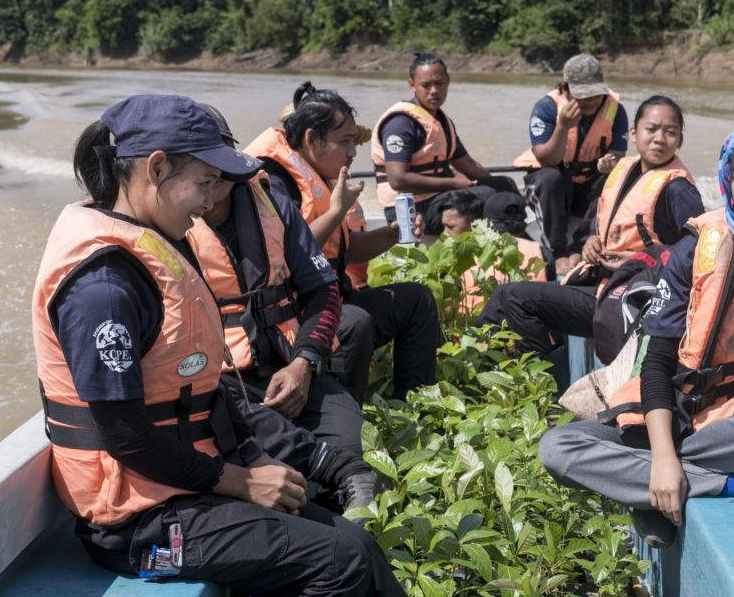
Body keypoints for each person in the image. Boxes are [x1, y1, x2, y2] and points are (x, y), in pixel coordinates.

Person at [33, 94, 426, 597]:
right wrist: (240, 482)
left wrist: (251, 456)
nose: (211, 199)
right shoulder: (104, 286)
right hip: (137, 523)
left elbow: (198, 387)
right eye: (204, 181)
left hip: (182, 485)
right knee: (337, 563)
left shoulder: (159, 241)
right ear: (157, 168)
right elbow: (125, 436)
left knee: (355, 542)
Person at [540, 112, 734, 550]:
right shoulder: (698, 240)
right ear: (727, 176)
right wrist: (663, 460)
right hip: (675, 399)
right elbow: (658, 358)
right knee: (558, 448)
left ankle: (642, 488)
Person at [189, 104, 367, 465]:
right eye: (200, 160)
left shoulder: (272, 200)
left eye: (221, 152)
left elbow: (323, 290)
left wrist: (304, 364)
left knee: (354, 449)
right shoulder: (156, 228)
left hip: (288, 362)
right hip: (218, 384)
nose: (215, 169)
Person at [245, 83, 440, 405]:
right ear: (311, 139)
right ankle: (345, 414)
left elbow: (342, 253)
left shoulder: (324, 173)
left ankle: (415, 404)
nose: (353, 152)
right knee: (354, 321)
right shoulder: (273, 181)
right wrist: (336, 211)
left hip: (333, 296)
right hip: (296, 313)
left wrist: (390, 235)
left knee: (416, 300)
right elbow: (290, 258)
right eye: (345, 142)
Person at [474, 97, 705, 362]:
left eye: (670, 132)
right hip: (599, 284)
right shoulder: (624, 169)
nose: (660, 139)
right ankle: (467, 363)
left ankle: (541, 387)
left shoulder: (678, 189)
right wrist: (590, 242)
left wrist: (637, 260)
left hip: (629, 299)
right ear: (633, 133)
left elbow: (698, 253)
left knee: (513, 297)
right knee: (506, 301)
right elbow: (598, 226)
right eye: (651, 129)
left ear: (680, 140)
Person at [371, 53, 519, 235]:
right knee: (486, 196)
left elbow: (469, 166)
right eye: (426, 85)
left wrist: (500, 191)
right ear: (412, 85)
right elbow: (398, 180)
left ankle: (524, 242)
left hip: (440, 197)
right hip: (409, 209)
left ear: (447, 80)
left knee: (505, 185)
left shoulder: (442, 122)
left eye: (439, 83)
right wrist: (454, 184)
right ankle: (505, 251)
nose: (434, 90)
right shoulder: (400, 123)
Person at [514, 54, 629, 275]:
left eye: (596, 93)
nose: (591, 100)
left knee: (613, 180)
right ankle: (557, 252)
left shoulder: (615, 110)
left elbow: (617, 155)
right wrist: (563, 127)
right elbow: (547, 160)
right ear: (565, 89)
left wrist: (610, 164)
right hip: (551, 188)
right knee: (549, 177)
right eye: (583, 94)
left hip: (586, 188)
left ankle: (580, 248)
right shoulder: (546, 108)